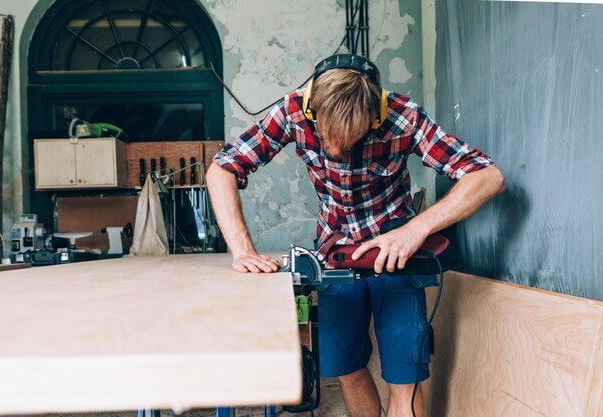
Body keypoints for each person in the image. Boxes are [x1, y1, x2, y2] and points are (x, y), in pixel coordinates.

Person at [206, 53, 504, 417]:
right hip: (334, 255)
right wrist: (242, 251)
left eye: (349, 139)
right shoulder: (292, 111)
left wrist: (417, 228)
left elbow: (486, 176)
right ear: (313, 110)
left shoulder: (403, 116)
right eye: (328, 137)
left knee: (403, 377)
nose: (335, 149)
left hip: (395, 255)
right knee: (345, 367)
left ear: (374, 117)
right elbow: (222, 168)